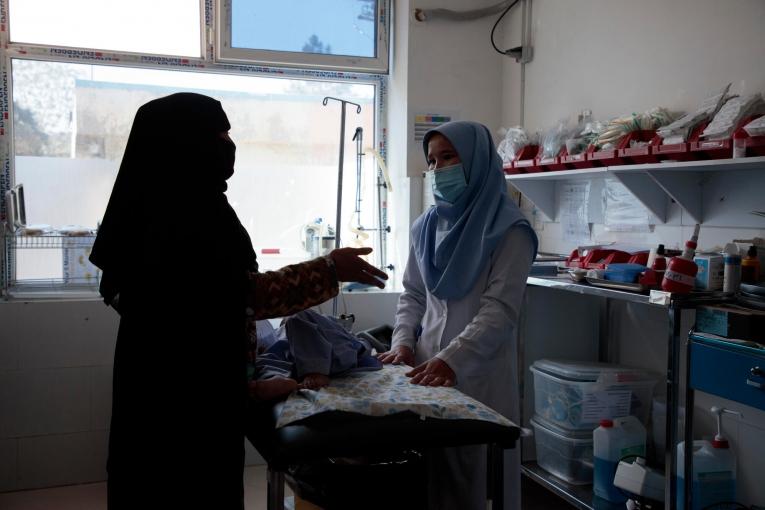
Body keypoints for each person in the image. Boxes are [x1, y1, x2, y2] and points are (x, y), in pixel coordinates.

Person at [89, 92, 387, 510]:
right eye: (220, 133)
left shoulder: (152, 209)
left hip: (162, 387)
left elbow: (204, 306)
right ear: (184, 143)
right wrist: (329, 270)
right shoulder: (185, 216)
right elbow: (240, 295)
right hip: (185, 408)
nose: (229, 144)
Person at [378, 120, 537, 510]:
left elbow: (499, 310)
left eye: (448, 157)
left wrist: (452, 360)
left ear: (477, 160)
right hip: (424, 368)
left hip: (479, 372)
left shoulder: (510, 230)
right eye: (431, 161)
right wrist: (402, 344)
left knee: (478, 478)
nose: (437, 169)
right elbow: (414, 294)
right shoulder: (425, 227)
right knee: (432, 478)